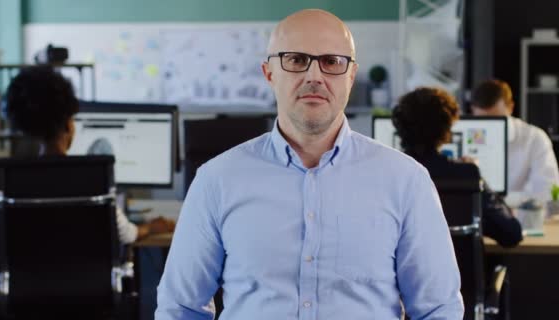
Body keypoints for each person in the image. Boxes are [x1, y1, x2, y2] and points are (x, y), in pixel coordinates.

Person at [155, 9, 463, 319]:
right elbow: (180, 308)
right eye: (296, 60)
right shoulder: (216, 180)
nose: (314, 76)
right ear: (269, 73)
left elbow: (439, 309)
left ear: (351, 76)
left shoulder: (406, 181)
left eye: (331, 62)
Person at [0, 66, 175, 243]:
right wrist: (150, 228)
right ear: (68, 125)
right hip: (88, 274)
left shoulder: (11, 177)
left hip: (25, 274)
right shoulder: (92, 175)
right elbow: (125, 234)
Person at [392, 87, 522, 247]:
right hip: (461, 271)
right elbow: (512, 234)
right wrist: (478, 178)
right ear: (446, 129)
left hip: (404, 272)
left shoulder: (389, 174)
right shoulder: (465, 174)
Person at [471, 79, 559, 203]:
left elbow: (547, 191)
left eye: (496, 119)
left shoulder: (534, 138)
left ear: (510, 107)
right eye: (483, 119)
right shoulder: (465, 136)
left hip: (521, 218)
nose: (490, 126)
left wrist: (498, 201)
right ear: (473, 110)